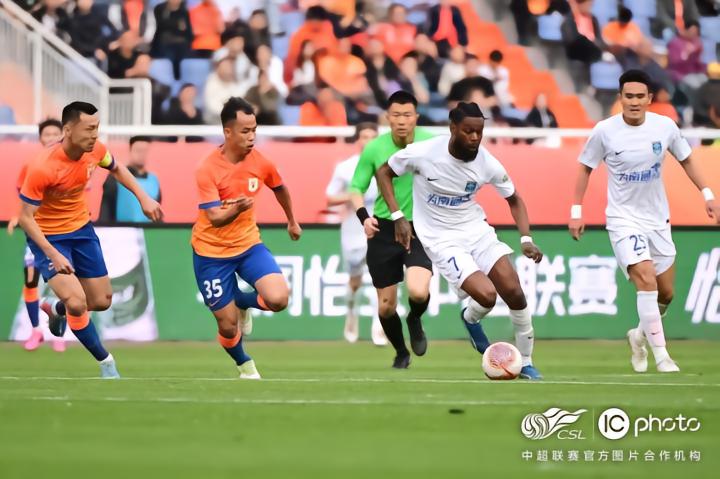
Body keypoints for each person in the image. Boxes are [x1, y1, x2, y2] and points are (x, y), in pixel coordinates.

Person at [375, 102, 545, 380]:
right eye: (468, 131)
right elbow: (384, 172)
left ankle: (525, 362)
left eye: (479, 132)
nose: (475, 138)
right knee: (487, 296)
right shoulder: (424, 153)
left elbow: (514, 199)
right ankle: (470, 318)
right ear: (453, 128)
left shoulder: (487, 163)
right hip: (441, 239)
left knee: (514, 291)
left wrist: (526, 239)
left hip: (476, 231)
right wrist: (398, 216)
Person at [569, 69, 720, 373]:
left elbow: (687, 159)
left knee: (666, 294)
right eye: (629, 96)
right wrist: (576, 211)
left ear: (650, 99)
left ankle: (638, 336)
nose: (634, 102)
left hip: (657, 219)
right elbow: (585, 167)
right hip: (623, 219)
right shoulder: (605, 131)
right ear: (620, 98)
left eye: (640, 96)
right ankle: (662, 356)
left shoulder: (664, 127)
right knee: (646, 278)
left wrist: (708, 194)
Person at [18, 102, 163, 378]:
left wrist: (143, 198)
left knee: (102, 300)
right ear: (68, 130)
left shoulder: (95, 150)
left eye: (97, 127)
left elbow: (118, 168)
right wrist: (53, 253)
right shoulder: (42, 167)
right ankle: (106, 363)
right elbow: (25, 218)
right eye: (89, 128)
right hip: (50, 238)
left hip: (82, 232)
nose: (95, 134)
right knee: (77, 302)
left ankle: (56, 308)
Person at [191, 97, 302, 379]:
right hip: (211, 254)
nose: (252, 136)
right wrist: (237, 208)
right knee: (228, 327)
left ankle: (241, 300)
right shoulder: (207, 168)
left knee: (279, 299)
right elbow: (215, 218)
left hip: (248, 246)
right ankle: (245, 365)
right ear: (228, 132)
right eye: (245, 131)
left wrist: (291, 220)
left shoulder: (261, 162)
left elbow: (280, 187)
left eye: (254, 130)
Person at [349, 91, 433, 369]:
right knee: (386, 306)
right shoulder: (374, 148)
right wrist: (364, 218)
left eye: (407, 115)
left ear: (416, 117)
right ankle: (401, 351)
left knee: (418, 292)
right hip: (384, 229)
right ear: (387, 117)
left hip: (419, 227)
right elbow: (356, 187)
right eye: (396, 115)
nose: (401, 121)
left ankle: (415, 318)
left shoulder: (430, 144)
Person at [325, 123, 386, 346]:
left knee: (381, 277)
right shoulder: (345, 168)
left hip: (380, 227)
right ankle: (351, 312)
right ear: (357, 140)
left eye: (372, 137)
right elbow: (330, 198)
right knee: (355, 280)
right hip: (353, 228)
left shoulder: (387, 165)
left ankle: (379, 326)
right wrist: (353, 196)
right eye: (364, 136)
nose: (368, 141)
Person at [7, 119, 64, 352]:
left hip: (62, 232)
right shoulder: (32, 166)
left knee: (62, 283)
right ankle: (36, 330)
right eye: (46, 134)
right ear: (40, 138)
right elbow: (25, 200)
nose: (50, 138)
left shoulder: (70, 164)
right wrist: (17, 216)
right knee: (31, 279)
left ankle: (59, 334)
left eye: (55, 134)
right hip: (36, 232)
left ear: (63, 135)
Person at [99, 136, 162, 223]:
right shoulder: (116, 177)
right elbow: (106, 210)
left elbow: (157, 212)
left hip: (148, 230)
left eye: (144, 151)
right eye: (138, 150)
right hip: (123, 229)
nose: (141, 154)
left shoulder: (154, 180)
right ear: (130, 150)